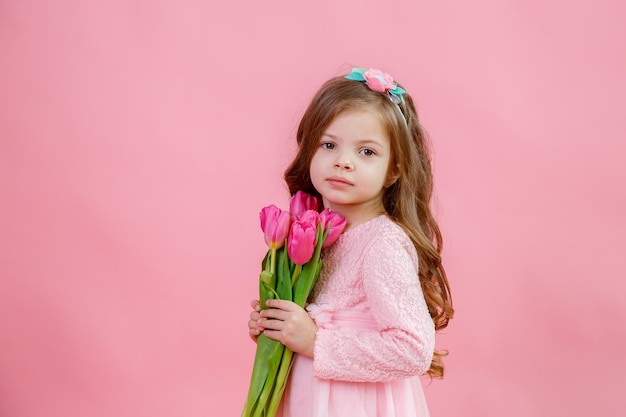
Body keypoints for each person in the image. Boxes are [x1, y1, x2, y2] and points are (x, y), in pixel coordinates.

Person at [247, 67, 454, 417]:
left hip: (353, 404)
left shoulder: (382, 243)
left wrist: (314, 341)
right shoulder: (318, 234)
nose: (343, 161)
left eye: (367, 152)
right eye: (329, 145)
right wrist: (279, 327)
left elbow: (413, 350)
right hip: (311, 399)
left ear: (394, 170)